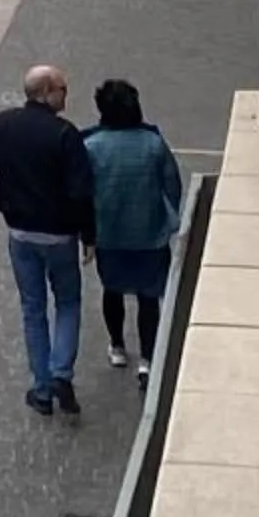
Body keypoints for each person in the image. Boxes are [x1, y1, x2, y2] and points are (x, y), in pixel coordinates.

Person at [0, 64, 95, 416]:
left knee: (33, 309)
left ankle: (41, 387)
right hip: (60, 236)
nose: (66, 95)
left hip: (21, 233)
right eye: (62, 89)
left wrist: (3, 204)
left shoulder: (3, 124)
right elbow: (82, 191)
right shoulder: (65, 135)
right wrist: (89, 234)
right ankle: (61, 372)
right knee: (68, 302)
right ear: (46, 92)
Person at [84, 77, 183, 387]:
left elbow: (82, 191)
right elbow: (172, 184)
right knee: (148, 298)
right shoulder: (153, 144)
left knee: (111, 289)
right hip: (149, 235)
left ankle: (116, 345)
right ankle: (148, 359)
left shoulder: (91, 146)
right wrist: (168, 218)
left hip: (109, 234)